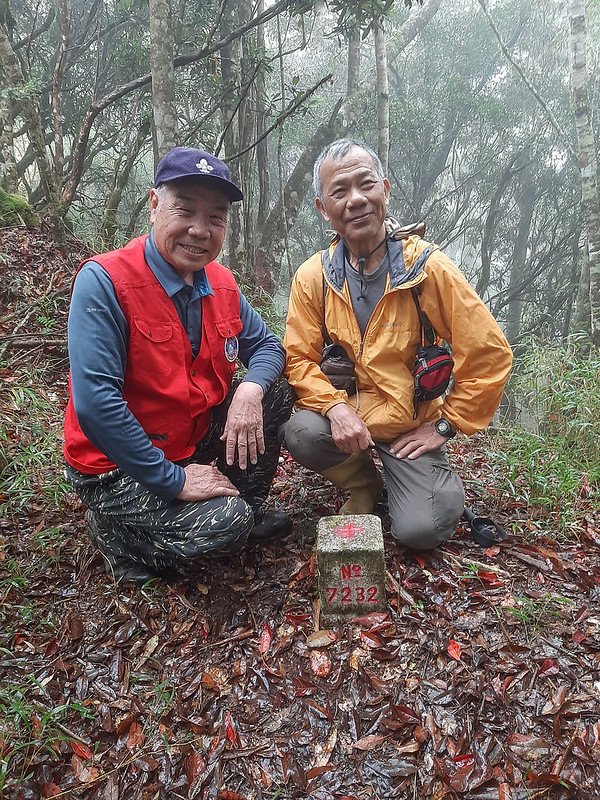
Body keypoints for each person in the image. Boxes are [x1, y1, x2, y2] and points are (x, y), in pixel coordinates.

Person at [64, 147, 294, 582]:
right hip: (114, 467)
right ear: (154, 206)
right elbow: (96, 403)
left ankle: (240, 507)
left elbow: (268, 347)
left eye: (216, 217)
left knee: (276, 392)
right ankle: (119, 537)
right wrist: (174, 481)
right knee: (227, 523)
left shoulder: (222, 282)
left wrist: (250, 388)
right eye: (184, 210)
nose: (200, 230)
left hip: (191, 437)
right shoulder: (106, 281)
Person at [282, 139, 512, 550]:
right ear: (323, 208)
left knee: (421, 530)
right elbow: (298, 358)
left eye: (365, 184)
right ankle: (364, 482)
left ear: (384, 190)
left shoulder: (426, 269)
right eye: (339, 191)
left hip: (410, 425)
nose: (356, 200)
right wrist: (334, 408)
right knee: (300, 431)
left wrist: (445, 424)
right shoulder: (314, 276)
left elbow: (489, 353)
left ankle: (423, 479)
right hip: (354, 415)